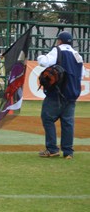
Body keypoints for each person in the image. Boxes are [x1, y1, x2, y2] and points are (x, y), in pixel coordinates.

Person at [37, 31, 83, 159]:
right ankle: (68, 152)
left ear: (59, 41)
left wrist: (40, 56)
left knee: (47, 118)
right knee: (68, 122)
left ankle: (52, 149)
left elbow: (44, 62)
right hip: (72, 94)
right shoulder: (77, 55)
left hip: (57, 92)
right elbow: (82, 74)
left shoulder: (57, 50)